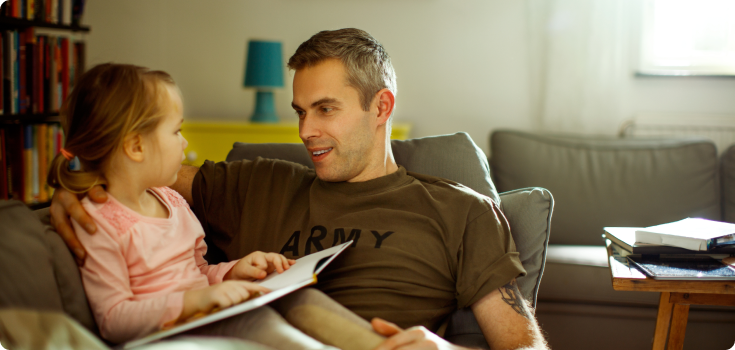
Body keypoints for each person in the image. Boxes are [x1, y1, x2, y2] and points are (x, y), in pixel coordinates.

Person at [51, 29, 549, 349]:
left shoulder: (460, 210)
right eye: (299, 111)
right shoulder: (257, 183)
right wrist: (70, 186)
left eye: (326, 109)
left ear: (381, 108)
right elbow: (124, 170)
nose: (305, 130)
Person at [46, 63, 385, 350]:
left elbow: (196, 275)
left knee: (285, 312)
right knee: (265, 330)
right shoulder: (99, 223)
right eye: (176, 131)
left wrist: (231, 271)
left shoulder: (172, 202)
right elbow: (113, 320)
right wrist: (195, 302)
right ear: (136, 146)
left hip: (209, 319)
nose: (185, 142)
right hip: (169, 339)